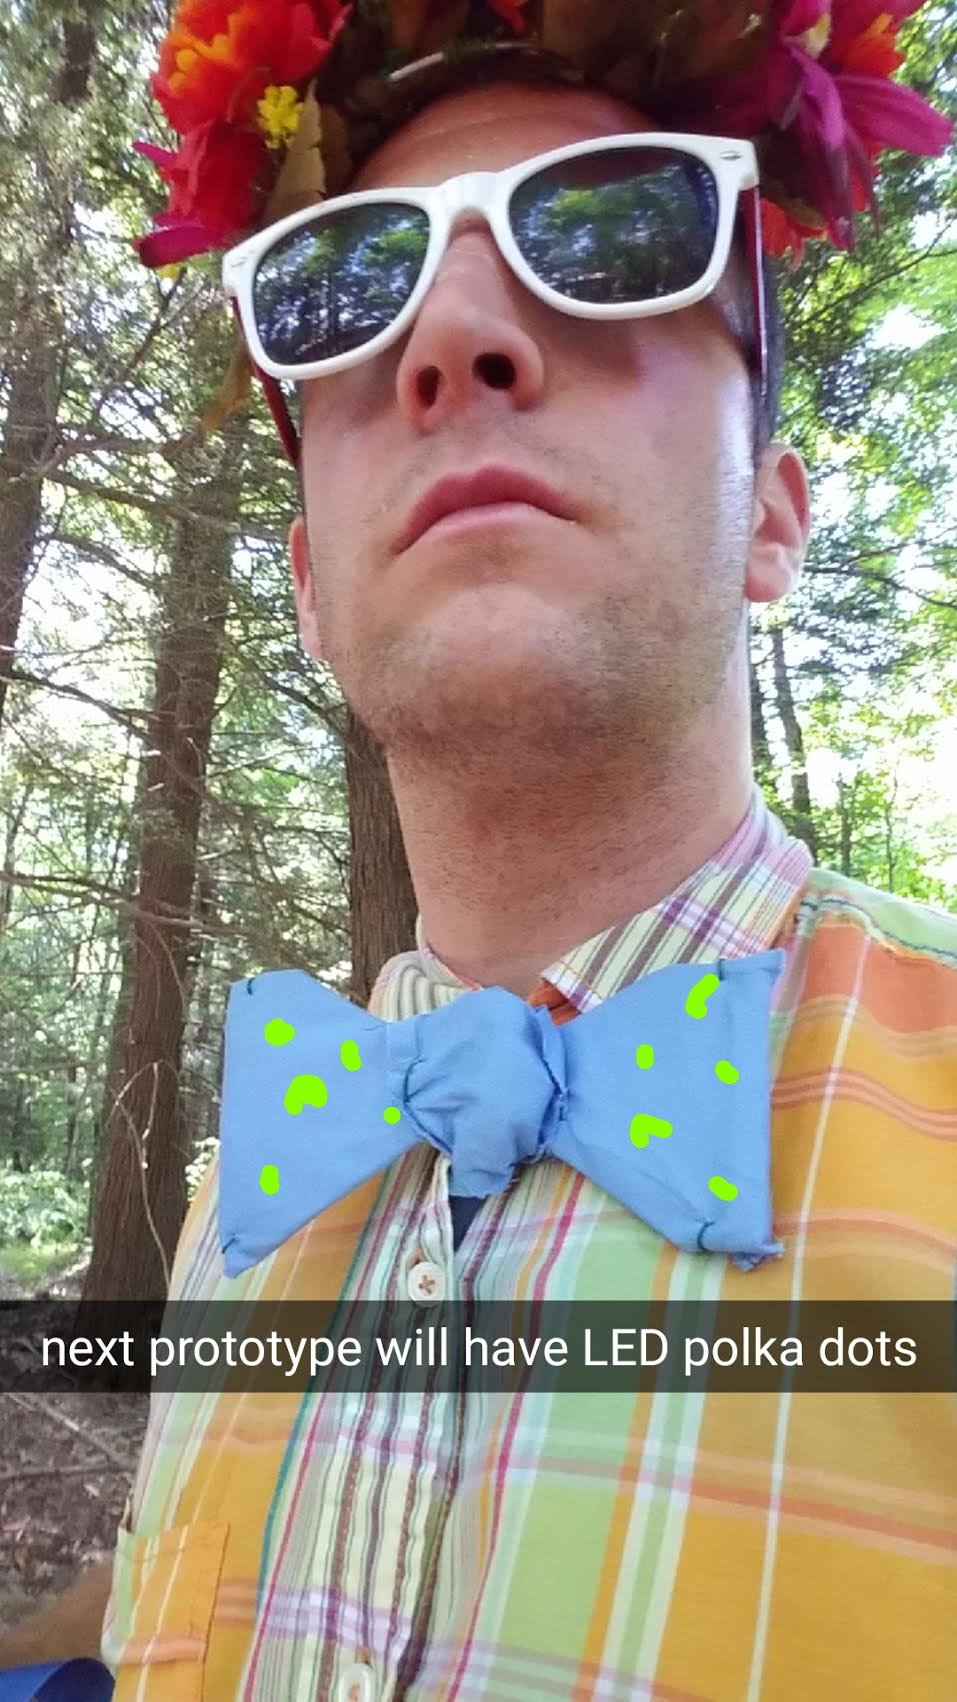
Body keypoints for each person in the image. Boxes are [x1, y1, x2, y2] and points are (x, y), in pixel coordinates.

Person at [2, 3, 954, 1698]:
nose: (453, 333)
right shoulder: (244, 1199)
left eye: (615, 234)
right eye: (343, 289)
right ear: (309, 587)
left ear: (772, 517)